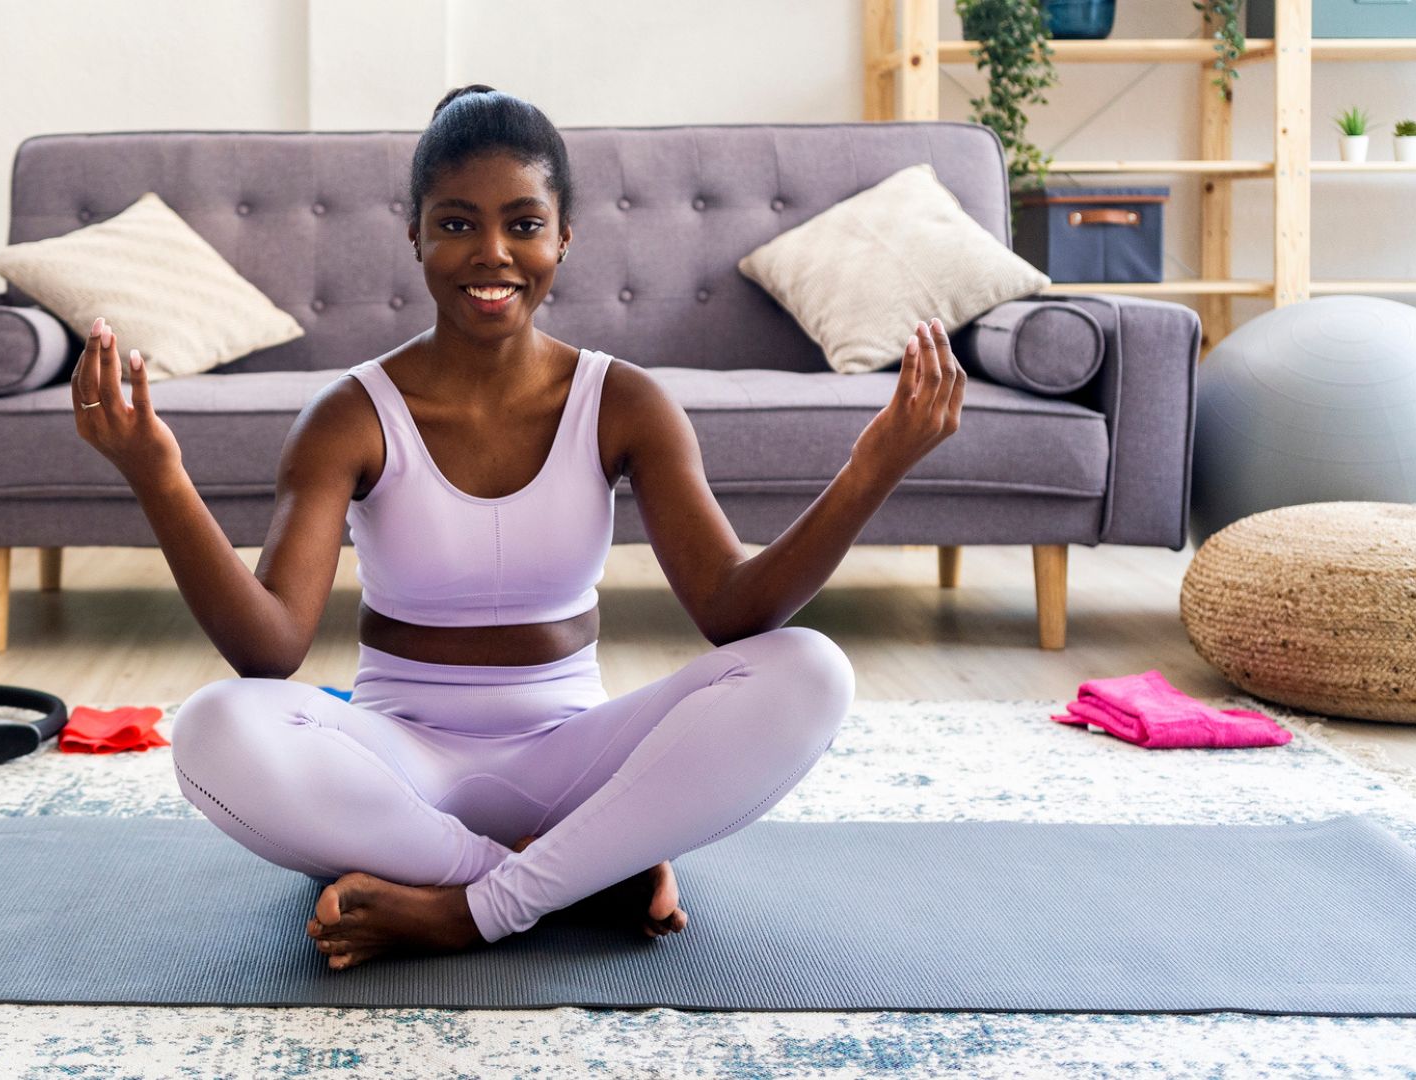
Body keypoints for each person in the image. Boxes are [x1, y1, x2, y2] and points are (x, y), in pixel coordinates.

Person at [70, 86, 965, 971]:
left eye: (524, 225)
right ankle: (558, 879)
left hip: (574, 763)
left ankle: (468, 908)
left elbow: (735, 612)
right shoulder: (349, 414)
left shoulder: (626, 403)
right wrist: (158, 476)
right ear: (414, 234)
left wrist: (874, 464)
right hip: (399, 764)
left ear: (564, 236)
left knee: (812, 668)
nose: (491, 253)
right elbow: (269, 651)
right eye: (456, 223)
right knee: (212, 728)